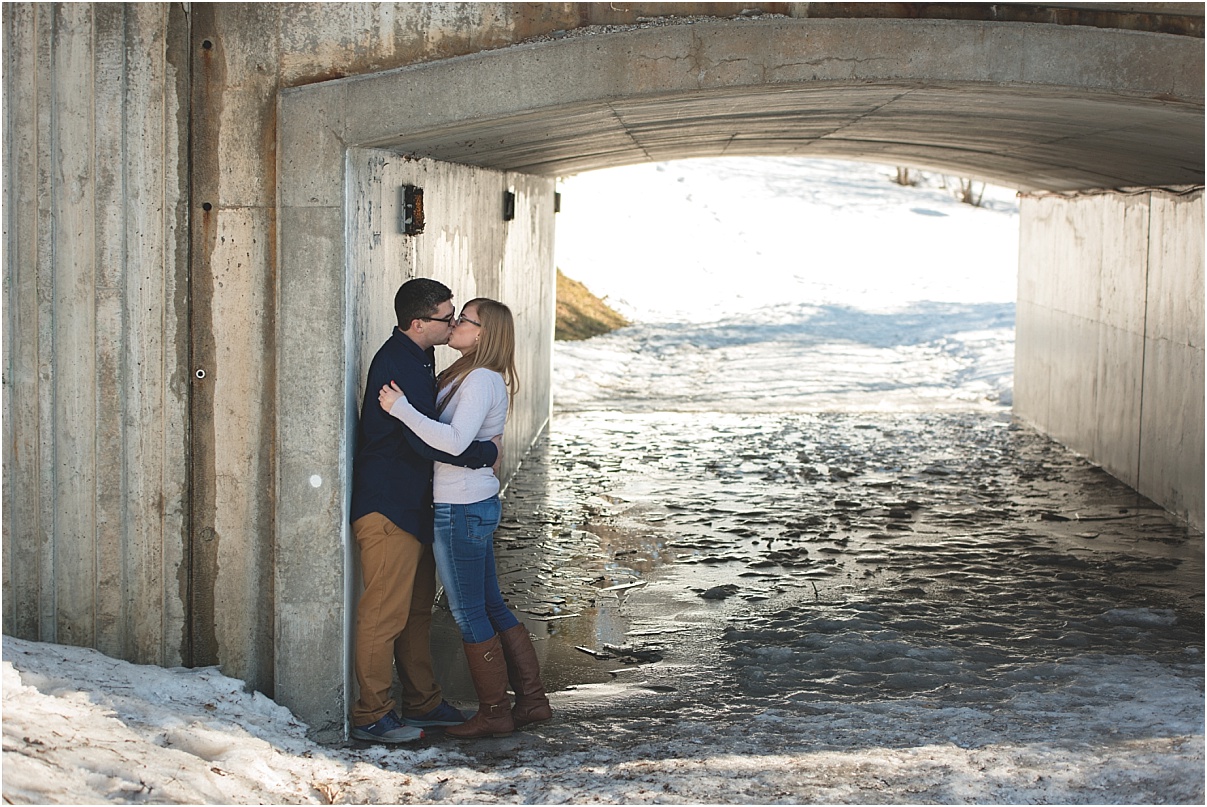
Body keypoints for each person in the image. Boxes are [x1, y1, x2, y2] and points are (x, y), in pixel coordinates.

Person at [378, 298, 552, 739]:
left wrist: (401, 410)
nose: (455, 324)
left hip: (461, 508)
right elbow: (473, 443)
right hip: (468, 503)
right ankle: (531, 702)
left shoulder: (479, 380)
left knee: (469, 611)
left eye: (465, 320)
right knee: (490, 604)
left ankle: (495, 712)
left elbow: (455, 443)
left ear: (483, 334)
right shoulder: (468, 375)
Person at [349, 279, 501, 744]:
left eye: (458, 316)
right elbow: (422, 437)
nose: (453, 322)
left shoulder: (420, 357)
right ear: (419, 324)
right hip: (388, 507)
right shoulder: (399, 363)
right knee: (383, 614)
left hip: (412, 506)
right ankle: (372, 713)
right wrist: (482, 455)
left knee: (415, 613)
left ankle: (423, 701)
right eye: (446, 316)